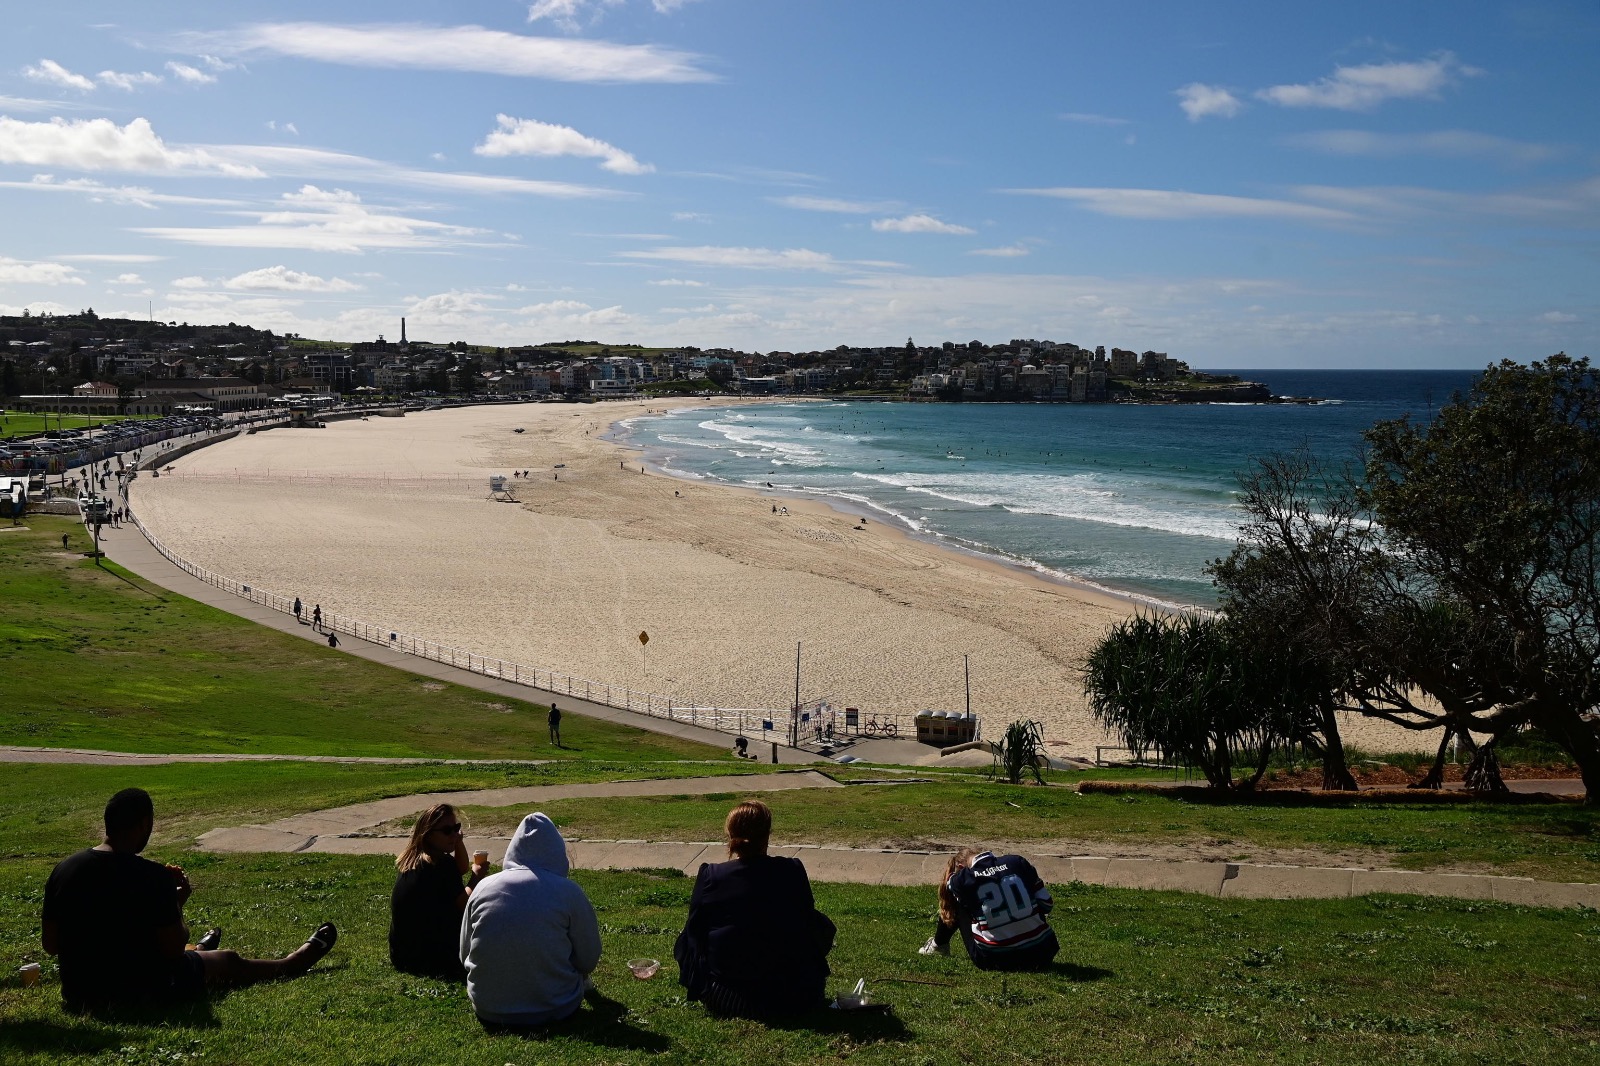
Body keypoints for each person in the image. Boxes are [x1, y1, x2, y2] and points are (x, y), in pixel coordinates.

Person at [41, 788, 337, 1014]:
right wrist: (176, 904)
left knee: (193, 955)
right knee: (228, 960)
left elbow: (51, 944)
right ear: (144, 824)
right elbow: (171, 949)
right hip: (139, 992)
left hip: (80, 993)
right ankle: (291, 963)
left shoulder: (64, 869)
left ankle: (202, 950)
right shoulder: (152, 876)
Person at [674, 800, 833, 1020]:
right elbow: (807, 922)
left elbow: (695, 931)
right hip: (794, 995)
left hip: (726, 995)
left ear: (730, 835)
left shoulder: (712, 875)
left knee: (689, 936)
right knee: (818, 924)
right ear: (767, 834)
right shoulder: (792, 870)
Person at [460, 813, 600, 1028]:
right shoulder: (568, 891)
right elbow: (588, 959)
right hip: (557, 1006)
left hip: (488, 1007)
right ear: (557, 851)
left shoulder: (483, 887)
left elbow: (465, 954)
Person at [390, 804, 487, 980]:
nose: (454, 834)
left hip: (403, 955)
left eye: (456, 828)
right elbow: (463, 904)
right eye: (446, 831)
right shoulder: (441, 864)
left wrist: (457, 841)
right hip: (433, 959)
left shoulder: (415, 859)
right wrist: (477, 877)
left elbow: (461, 868)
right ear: (428, 834)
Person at [919, 848, 1058, 970]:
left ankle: (938, 945)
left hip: (995, 960)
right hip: (1043, 953)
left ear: (961, 867)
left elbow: (949, 883)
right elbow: (1047, 905)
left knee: (956, 901)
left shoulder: (963, 878)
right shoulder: (1017, 862)